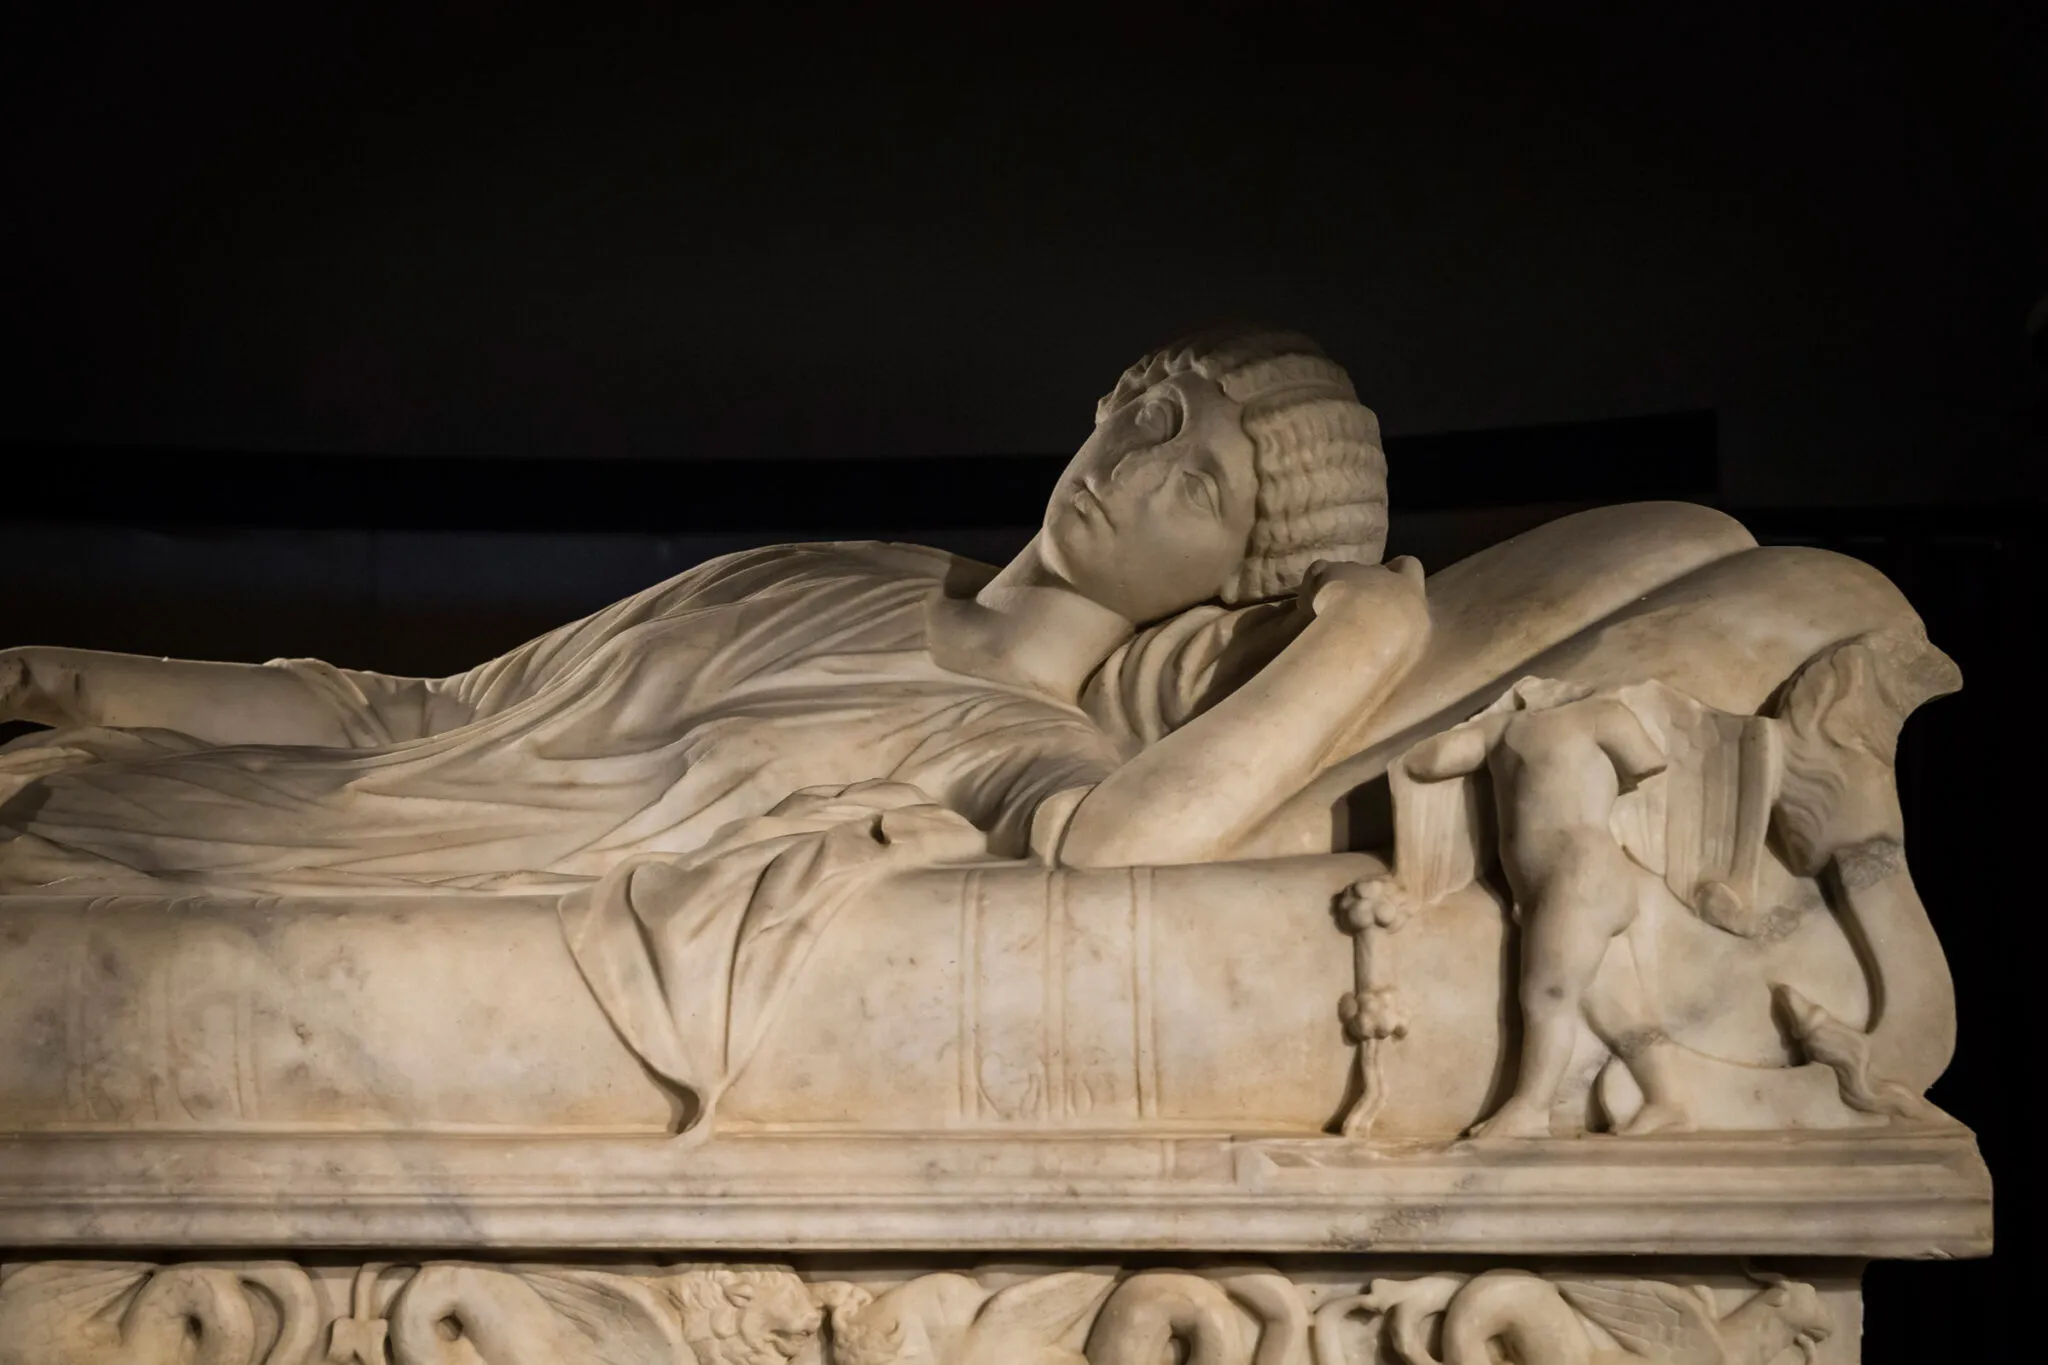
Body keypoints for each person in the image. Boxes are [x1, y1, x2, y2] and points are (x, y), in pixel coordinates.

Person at [0, 328, 1423, 893]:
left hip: (384, 880)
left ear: (1234, 585)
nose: (1132, 467)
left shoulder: (1010, 745)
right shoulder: (824, 572)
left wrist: (1361, 643)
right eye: (1153, 415)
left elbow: (1121, 847)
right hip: (329, 812)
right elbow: (422, 715)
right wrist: (88, 680)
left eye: (1202, 486)